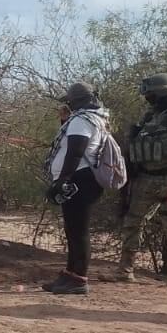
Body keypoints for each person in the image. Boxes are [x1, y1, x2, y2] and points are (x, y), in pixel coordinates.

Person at [114, 73, 167, 287]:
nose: (148, 98)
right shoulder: (149, 116)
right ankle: (125, 270)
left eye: (151, 94)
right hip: (145, 178)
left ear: (162, 92)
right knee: (132, 222)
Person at [43, 83, 109, 296]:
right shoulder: (94, 118)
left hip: (79, 179)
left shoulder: (82, 120)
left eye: (70, 100)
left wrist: (61, 180)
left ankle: (79, 279)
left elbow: (75, 152)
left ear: (77, 101)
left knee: (78, 230)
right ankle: (70, 274)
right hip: (83, 178)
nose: (68, 104)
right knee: (73, 229)